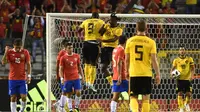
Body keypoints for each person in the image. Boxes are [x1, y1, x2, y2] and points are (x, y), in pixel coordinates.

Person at [125, 20, 160, 112]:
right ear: (146, 28)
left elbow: (127, 59)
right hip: (146, 73)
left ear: (136, 28)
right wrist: (158, 74)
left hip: (134, 72)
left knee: (133, 96)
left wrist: (126, 71)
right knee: (146, 98)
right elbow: (154, 60)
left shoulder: (129, 41)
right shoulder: (151, 42)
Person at [1, 38, 31, 112]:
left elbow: (28, 64)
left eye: (19, 47)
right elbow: (3, 63)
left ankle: (21, 110)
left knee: (24, 97)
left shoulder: (25, 52)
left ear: (21, 46)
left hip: (22, 79)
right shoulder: (10, 52)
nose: (18, 49)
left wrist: (29, 76)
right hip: (12, 79)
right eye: (16, 47)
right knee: (13, 97)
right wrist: (5, 52)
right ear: (13, 45)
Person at [78, 12, 104, 92]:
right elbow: (103, 31)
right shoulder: (101, 22)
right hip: (94, 44)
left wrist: (81, 38)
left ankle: (86, 81)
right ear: (98, 16)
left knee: (86, 63)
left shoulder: (86, 21)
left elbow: (78, 30)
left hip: (86, 43)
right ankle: (91, 83)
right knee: (93, 64)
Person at [59, 42, 84, 112]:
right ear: (66, 49)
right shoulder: (63, 58)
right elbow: (60, 69)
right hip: (67, 79)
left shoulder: (77, 56)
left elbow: (79, 67)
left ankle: (76, 107)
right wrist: (62, 78)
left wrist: (83, 76)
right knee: (69, 93)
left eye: (72, 47)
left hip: (76, 78)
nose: (71, 49)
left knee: (78, 92)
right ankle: (70, 109)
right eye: (69, 48)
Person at [99, 12, 123, 86]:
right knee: (103, 68)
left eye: (113, 19)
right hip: (104, 48)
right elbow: (100, 32)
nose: (111, 20)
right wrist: (104, 24)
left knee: (114, 66)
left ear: (116, 20)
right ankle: (111, 82)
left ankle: (118, 80)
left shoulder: (119, 29)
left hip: (113, 49)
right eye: (110, 19)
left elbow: (114, 39)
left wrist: (102, 40)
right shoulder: (106, 26)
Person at [170, 45, 195, 112]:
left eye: (183, 49)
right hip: (179, 79)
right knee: (180, 94)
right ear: (179, 51)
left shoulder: (189, 59)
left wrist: (192, 76)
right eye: (180, 50)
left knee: (189, 94)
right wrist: (172, 74)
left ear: (185, 51)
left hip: (187, 79)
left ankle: (186, 104)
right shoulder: (176, 60)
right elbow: (172, 69)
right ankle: (181, 108)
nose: (182, 51)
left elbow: (193, 68)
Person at [110, 36, 128, 112]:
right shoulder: (122, 50)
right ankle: (132, 109)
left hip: (115, 75)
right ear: (125, 42)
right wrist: (120, 75)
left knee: (115, 96)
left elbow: (113, 62)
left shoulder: (115, 49)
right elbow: (119, 62)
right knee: (132, 94)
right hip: (122, 76)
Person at [53, 39, 68, 109]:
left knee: (69, 92)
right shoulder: (62, 53)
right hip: (63, 76)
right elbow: (57, 64)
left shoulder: (71, 53)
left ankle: (59, 103)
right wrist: (57, 75)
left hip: (69, 76)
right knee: (65, 92)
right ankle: (61, 107)